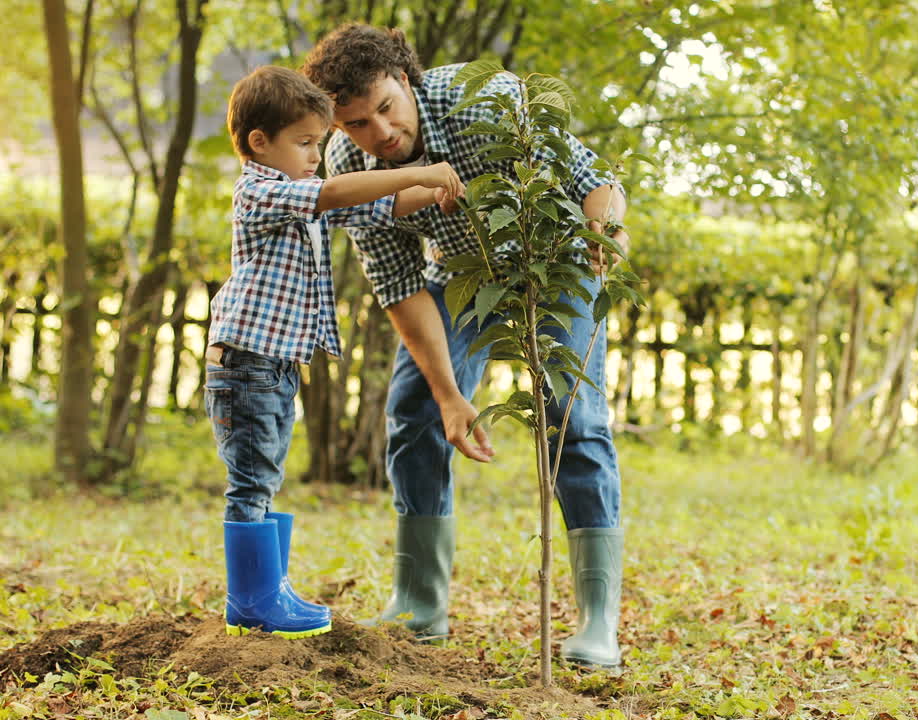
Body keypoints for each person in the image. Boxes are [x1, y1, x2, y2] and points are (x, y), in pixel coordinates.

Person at [302, 24, 631, 666]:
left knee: (574, 420)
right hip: (461, 276)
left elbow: (595, 178)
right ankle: (420, 606)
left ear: (405, 77)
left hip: (555, 264)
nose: (381, 134)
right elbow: (399, 285)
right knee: (416, 411)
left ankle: (598, 623)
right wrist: (450, 395)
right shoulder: (348, 165)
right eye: (357, 124)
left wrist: (605, 232)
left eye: (386, 110)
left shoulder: (484, 103)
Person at [209, 65, 465, 639]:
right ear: (259, 143)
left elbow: (375, 208)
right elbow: (336, 191)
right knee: (251, 480)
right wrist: (417, 172)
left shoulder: (300, 194)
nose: (314, 157)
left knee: (265, 473)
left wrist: (441, 188)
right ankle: (250, 601)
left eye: (319, 145)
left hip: (269, 365)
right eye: (304, 143)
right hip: (246, 362)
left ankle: (268, 591)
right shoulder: (261, 189)